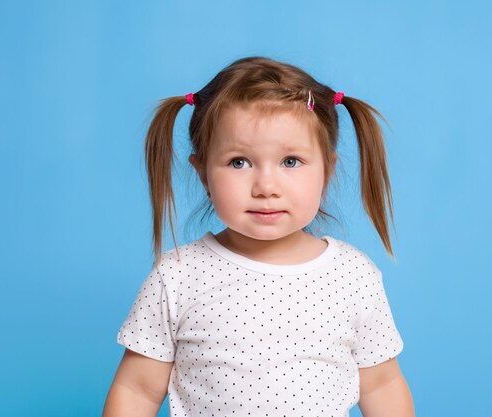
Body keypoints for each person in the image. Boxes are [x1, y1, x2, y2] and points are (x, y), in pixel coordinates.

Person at [102, 56, 415, 417]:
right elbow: (137, 390)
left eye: (291, 162)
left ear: (327, 170)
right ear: (202, 173)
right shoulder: (178, 276)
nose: (266, 187)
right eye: (239, 162)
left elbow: (381, 384)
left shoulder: (353, 276)